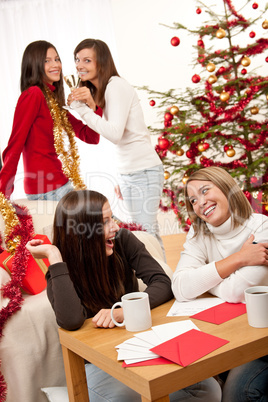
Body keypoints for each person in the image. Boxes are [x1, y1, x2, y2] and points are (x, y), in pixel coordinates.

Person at [26, 189, 221, 402]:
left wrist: (122, 312)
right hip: (98, 364)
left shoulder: (122, 240)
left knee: (207, 389)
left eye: (112, 218)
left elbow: (162, 282)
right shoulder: (60, 270)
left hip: (138, 346)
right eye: (105, 222)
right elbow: (71, 321)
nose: (115, 227)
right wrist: (54, 256)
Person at [171, 166, 268, 402]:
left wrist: (205, 280)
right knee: (184, 382)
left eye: (205, 191)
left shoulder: (261, 227)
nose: (201, 202)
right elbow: (181, 287)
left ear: (226, 188)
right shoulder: (198, 233)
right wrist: (239, 259)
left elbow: (237, 291)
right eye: (193, 199)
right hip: (227, 334)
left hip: (261, 339)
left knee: (238, 392)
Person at [67, 38, 165, 252]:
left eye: (87, 60)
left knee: (146, 235)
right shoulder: (104, 90)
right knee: (141, 233)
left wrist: (82, 110)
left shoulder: (115, 86)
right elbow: (117, 135)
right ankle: (158, 281)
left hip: (144, 171)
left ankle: (164, 283)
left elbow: (114, 134)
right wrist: (122, 174)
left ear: (100, 62)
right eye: (77, 60)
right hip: (131, 172)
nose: (79, 65)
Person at [0, 40, 101, 201]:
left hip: (62, 184)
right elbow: (15, 144)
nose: (56, 65)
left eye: (57, 59)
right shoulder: (33, 94)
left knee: (107, 219)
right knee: (103, 220)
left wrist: (93, 106)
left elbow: (91, 137)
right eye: (47, 61)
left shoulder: (52, 100)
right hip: (47, 191)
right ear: (34, 64)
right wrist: (2, 194)